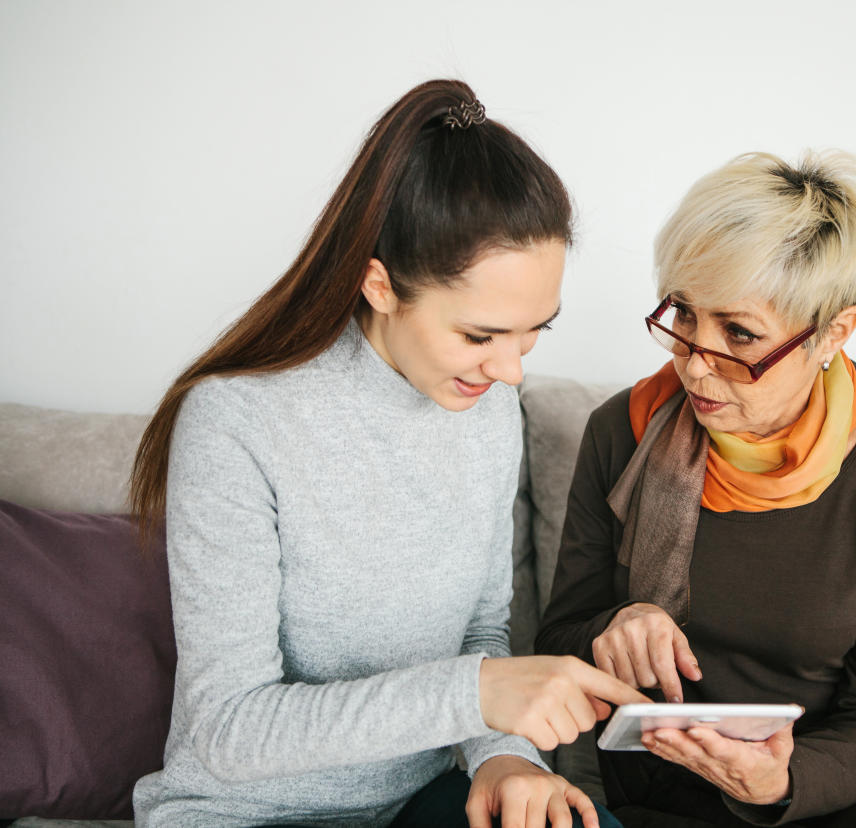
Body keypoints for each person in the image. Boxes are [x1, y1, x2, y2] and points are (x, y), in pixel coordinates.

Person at [127, 79, 645, 828]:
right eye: (479, 335)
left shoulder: (487, 408)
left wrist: (505, 756)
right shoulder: (236, 422)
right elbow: (229, 728)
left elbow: (479, 638)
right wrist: (476, 694)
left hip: (419, 804)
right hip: (244, 814)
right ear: (380, 285)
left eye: (536, 331)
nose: (512, 372)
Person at [535, 150, 856, 827]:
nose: (693, 365)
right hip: (677, 774)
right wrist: (613, 626)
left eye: (739, 334)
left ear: (834, 332)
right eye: (684, 315)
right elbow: (559, 641)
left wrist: (780, 780)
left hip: (850, 771)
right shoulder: (622, 434)